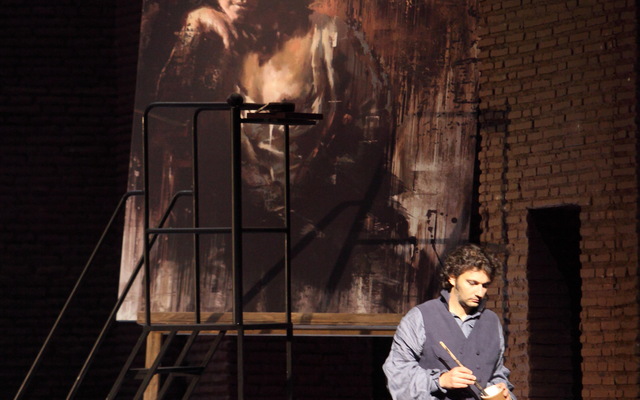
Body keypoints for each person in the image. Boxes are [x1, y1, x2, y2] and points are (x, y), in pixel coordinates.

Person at [383, 243, 516, 400]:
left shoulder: (491, 322)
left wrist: (503, 392)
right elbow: (397, 374)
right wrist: (440, 380)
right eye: (472, 283)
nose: (480, 293)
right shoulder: (421, 317)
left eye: (485, 285)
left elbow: (497, 374)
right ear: (452, 278)